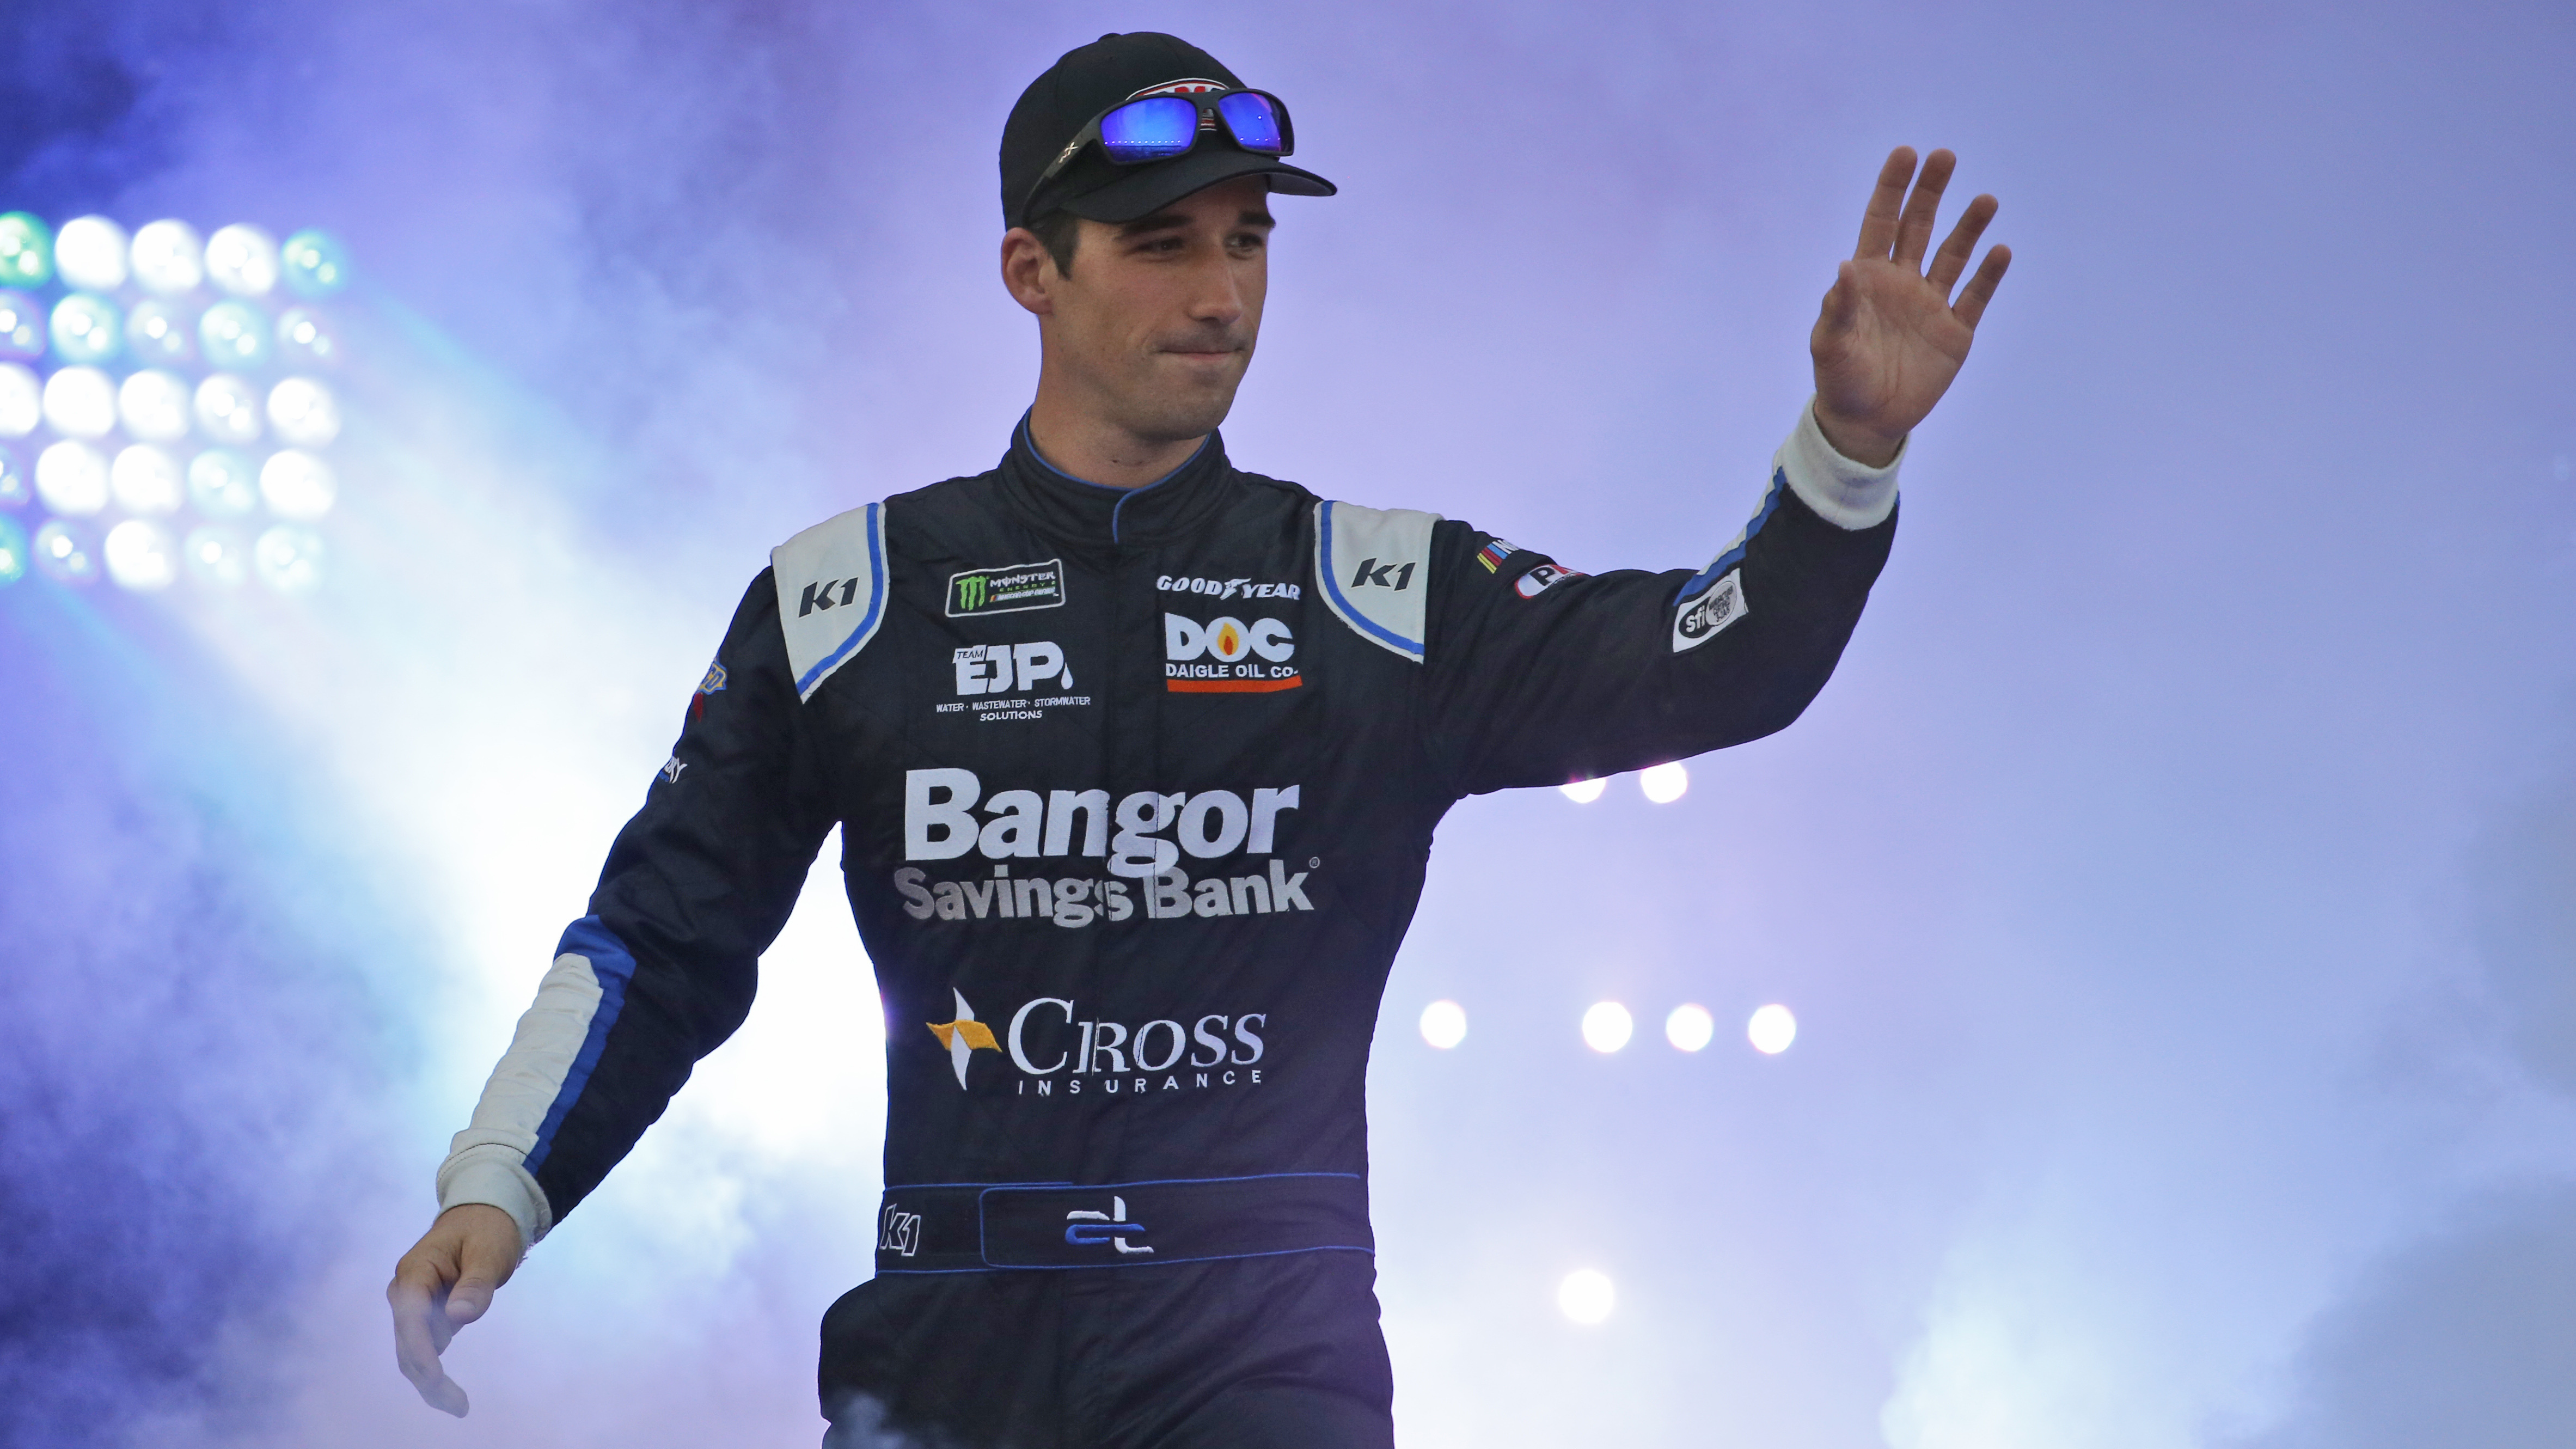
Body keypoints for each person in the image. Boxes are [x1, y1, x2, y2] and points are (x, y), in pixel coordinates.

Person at [388, 29, 2008, 1449]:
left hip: (1260, 1343)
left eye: (1245, 242)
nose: (1221, 290)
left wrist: (1844, 458)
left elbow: (1709, 664)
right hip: (948, 1336)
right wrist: (500, 1182)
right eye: (1160, 244)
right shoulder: (850, 594)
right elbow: (660, 937)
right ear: (1033, 270)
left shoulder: (1374, 591)